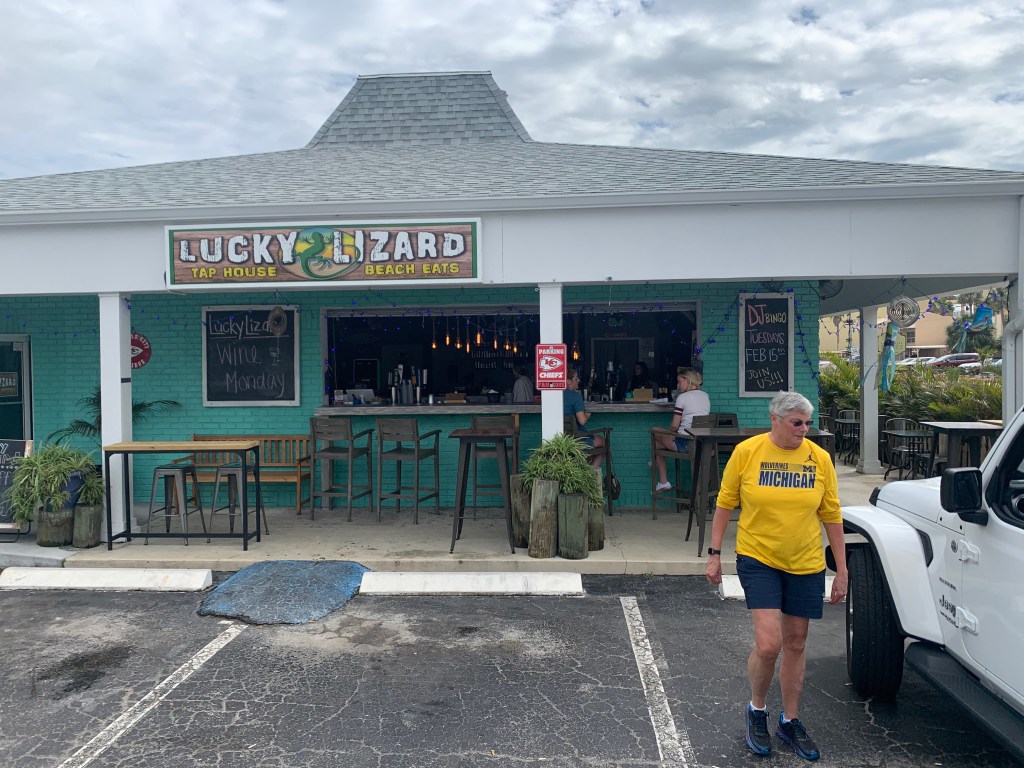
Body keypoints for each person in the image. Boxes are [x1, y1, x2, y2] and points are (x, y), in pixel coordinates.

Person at [705, 391, 847, 761]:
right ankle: (757, 710)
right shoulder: (748, 452)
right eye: (796, 422)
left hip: (806, 561)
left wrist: (842, 569)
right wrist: (715, 554)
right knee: (769, 644)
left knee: (796, 642)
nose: (803, 429)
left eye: (807, 423)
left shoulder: (819, 459)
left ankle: (790, 720)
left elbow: (831, 514)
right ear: (775, 419)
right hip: (759, 557)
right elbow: (725, 502)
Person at [653, 368, 710, 491]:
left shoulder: (682, 397)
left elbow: (674, 426)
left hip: (685, 444)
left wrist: (670, 432)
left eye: (679, 382)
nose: (678, 385)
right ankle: (662, 481)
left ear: (688, 381)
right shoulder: (705, 396)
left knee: (655, 431)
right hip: (701, 443)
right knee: (657, 445)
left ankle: (662, 478)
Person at [563, 367, 604, 466]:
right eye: (576, 378)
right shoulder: (575, 396)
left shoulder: (554, 395)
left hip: (561, 440)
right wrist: (587, 415)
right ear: (568, 381)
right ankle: (591, 473)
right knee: (604, 442)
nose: (579, 380)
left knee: (590, 452)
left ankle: (585, 471)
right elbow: (582, 421)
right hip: (577, 440)